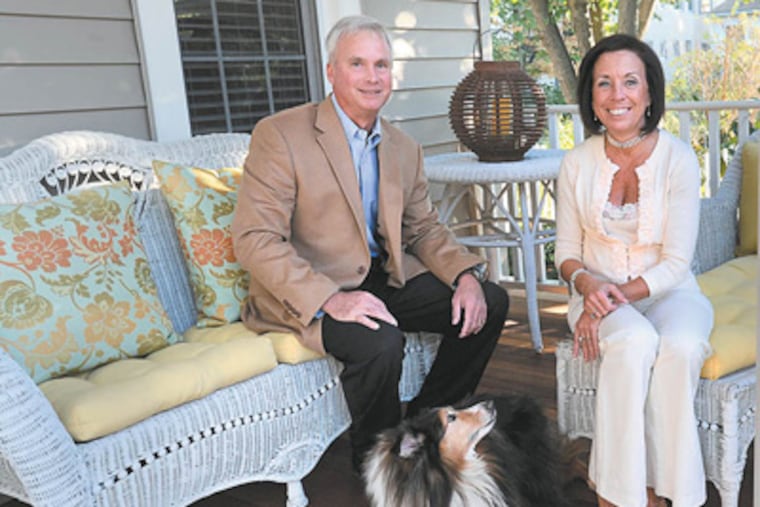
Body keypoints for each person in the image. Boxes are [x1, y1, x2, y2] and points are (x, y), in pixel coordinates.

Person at [231, 15, 509, 473]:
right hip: (309, 290)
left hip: (381, 278)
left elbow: (422, 228)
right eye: (357, 63)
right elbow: (254, 239)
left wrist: (464, 275)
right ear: (331, 71)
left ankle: (423, 428)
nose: (372, 76)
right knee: (381, 341)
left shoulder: (402, 147)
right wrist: (330, 300)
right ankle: (379, 466)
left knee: (490, 303)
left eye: (381, 65)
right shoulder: (281, 135)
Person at [555, 34, 714, 507]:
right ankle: (619, 496)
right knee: (633, 341)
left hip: (670, 292)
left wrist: (607, 299)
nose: (617, 94)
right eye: (604, 83)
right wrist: (587, 289)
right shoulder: (575, 163)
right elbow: (565, 252)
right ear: (591, 97)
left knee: (680, 346)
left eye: (629, 82)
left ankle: (670, 493)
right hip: (598, 294)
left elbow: (676, 262)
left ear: (649, 93)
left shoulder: (679, 159)